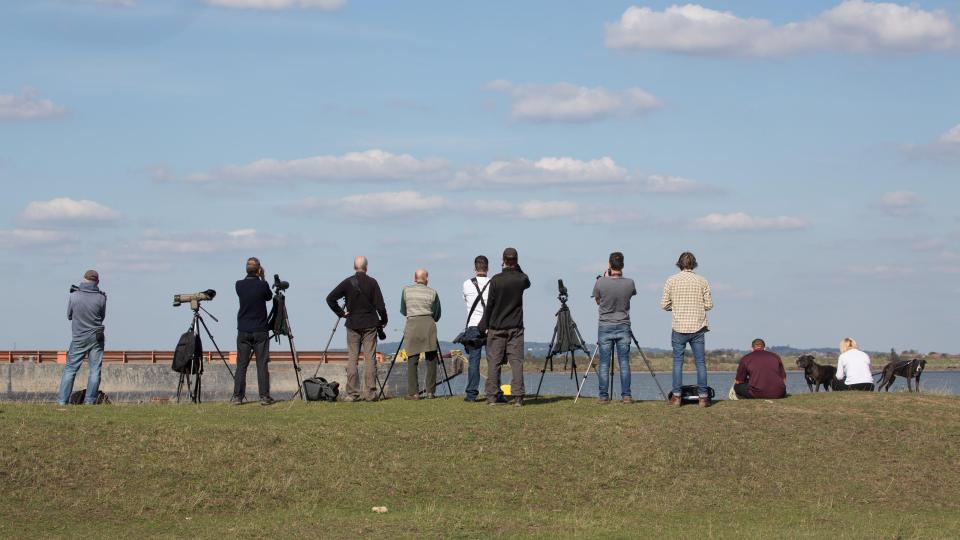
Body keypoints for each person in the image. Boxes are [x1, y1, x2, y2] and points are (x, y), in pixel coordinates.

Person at [326, 256, 388, 402]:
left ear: (354, 267)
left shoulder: (348, 282)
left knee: (352, 358)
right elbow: (380, 306)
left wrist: (341, 314)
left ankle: (353, 393)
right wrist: (384, 320)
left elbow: (330, 298)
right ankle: (370, 393)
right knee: (370, 358)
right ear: (366, 267)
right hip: (370, 323)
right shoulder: (372, 282)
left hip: (353, 323)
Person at [478, 247, 530, 407]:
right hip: (515, 326)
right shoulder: (520, 279)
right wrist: (517, 267)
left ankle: (492, 397)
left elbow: (490, 305)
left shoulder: (495, 280)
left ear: (503, 260)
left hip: (496, 326)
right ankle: (518, 397)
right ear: (516, 261)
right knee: (516, 362)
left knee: (493, 362)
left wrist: (483, 324)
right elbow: (527, 281)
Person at [661, 251, 713, 407]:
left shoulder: (671, 280)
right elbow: (709, 305)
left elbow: (664, 304)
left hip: (679, 326)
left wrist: (676, 307)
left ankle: (676, 396)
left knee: (678, 362)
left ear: (679, 264)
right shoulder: (702, 281)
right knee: (700, 363)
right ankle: (703, 397)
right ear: (694, 264)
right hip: (698, 326)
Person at [592, 252, 637, 404]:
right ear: (623, 265)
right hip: (623, 324)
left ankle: (603, 396)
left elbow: (598, 301)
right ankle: (626, 395)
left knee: (604, 362)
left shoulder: (600, 283)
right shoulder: (630, 283)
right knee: (624, 362)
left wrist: (605, 278)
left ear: (609, 265)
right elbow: (629, 297)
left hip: (605, 325)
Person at [57, 270, 107, 405]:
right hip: (97, 337)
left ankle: (62, 401)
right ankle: (90, 401)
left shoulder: (74, 296)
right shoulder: (101, 298)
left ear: (84, 279)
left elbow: (69, 316)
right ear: (98, 282)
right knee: (95, 370)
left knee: (70, 369)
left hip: (79, 337)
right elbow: (102, 317)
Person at [461, 255, 504, 403]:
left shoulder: (467, 284)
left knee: (474, 361)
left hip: (473, 326)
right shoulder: (494, 283)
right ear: (488, 268)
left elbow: (466, 300)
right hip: (490, 325)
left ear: (475, 268)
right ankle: (496, 392)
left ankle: (471, 394)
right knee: (494, 361)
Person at [232, 257, 275, 406]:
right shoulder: (262, 285)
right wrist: (263, 278)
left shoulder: (239, 285)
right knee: (261, 364)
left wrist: (257, 276)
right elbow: (269, 297)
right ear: (258, 270)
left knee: (241, 365)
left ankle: (238, 396)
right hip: (260, 329)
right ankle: (264, 396)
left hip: (243, 329)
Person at [400, 269, 442, 400]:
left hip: (412, 324)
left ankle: (414, 392)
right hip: (428, 324)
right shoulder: (433, 292)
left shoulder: (406, 291)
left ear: (414, 278)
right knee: (431, 359)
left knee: (412, 359)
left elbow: (403, 310)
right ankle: (430, 392)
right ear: (426, 279)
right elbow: (437, 314)